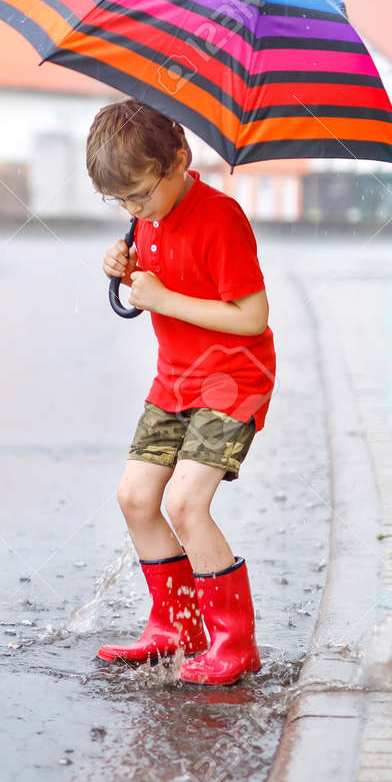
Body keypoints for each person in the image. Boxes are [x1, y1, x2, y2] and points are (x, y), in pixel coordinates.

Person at [89, 99, 276, 686]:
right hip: (174, 378)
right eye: (119, 202)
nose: (132, 208)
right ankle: (178, 626)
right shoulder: (147, 218)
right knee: (136, 498)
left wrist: (163, 299)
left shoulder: (221, 218)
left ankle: (233, 642)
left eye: (140, 193)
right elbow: (156, 276)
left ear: (179, 160)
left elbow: (251, 317)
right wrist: (121, 264)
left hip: (232, 379)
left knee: (186, 503)